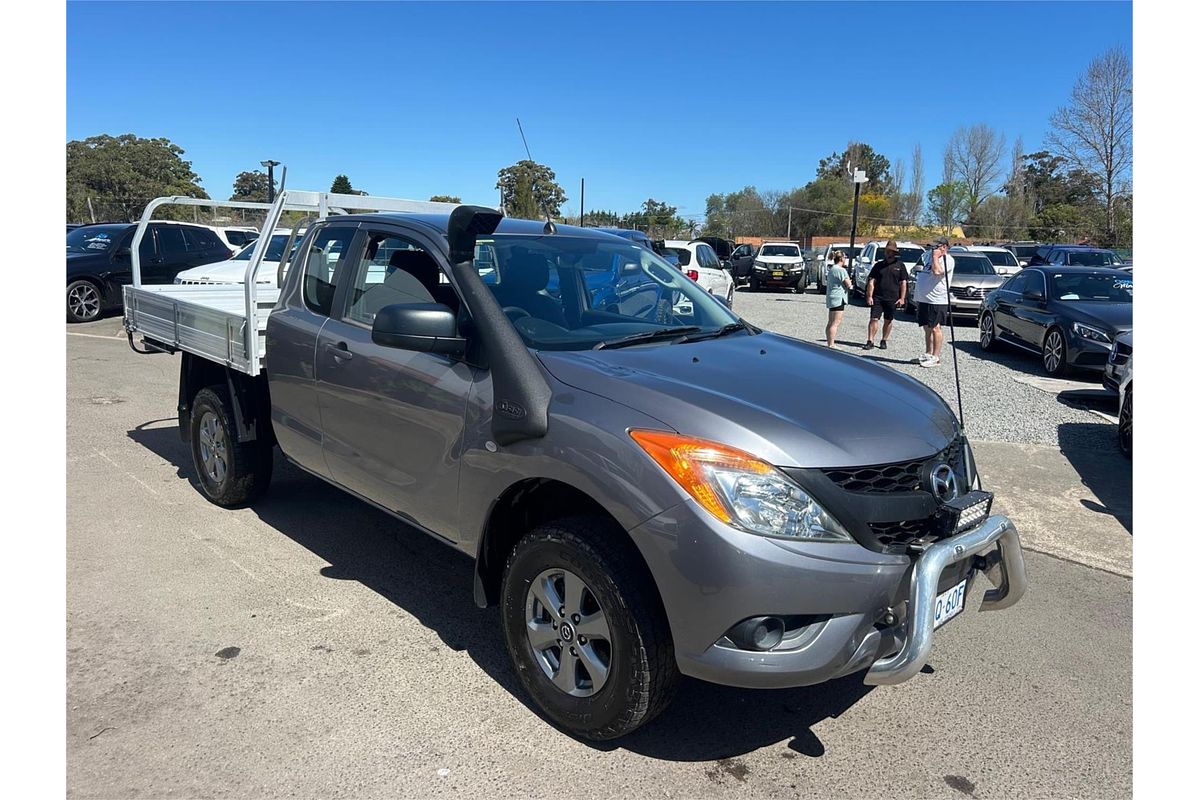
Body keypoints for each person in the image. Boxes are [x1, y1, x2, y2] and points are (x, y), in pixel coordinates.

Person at [915, 237, 955, 367]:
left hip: (937, 299)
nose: (932, 250)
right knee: (927, 327)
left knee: (935, 327)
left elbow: (937, 271)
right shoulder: (927, 256)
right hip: (923, 298)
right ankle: (928, 353)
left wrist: (936, 257)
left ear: (944, 247)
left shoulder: (947, 260)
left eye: (935, 247)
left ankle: (936, 356)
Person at [863, 239, 909, 351]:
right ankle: (870, 341)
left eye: (890, 251)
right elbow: (871, 281)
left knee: (888, 320)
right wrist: (869, 296)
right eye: (887, 251)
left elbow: (903, 283)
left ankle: (884, 340)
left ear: (894, 253)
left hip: (892, 298)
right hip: (878, 297)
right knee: (874, 319)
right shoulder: (878, 265)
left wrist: (902, 298)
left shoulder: (900, 266)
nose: (888, 253)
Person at [824, 250, 853, 347]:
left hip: (832, 297)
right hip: (839, 298)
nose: (845, 260)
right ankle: (831, 344)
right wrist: (851, 285)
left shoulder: (832, 269)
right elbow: (848, 284)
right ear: (841, 259)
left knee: (830, 322)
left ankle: (829, 342)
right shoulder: (841, 270)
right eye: (845, 258)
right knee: (836, 322)